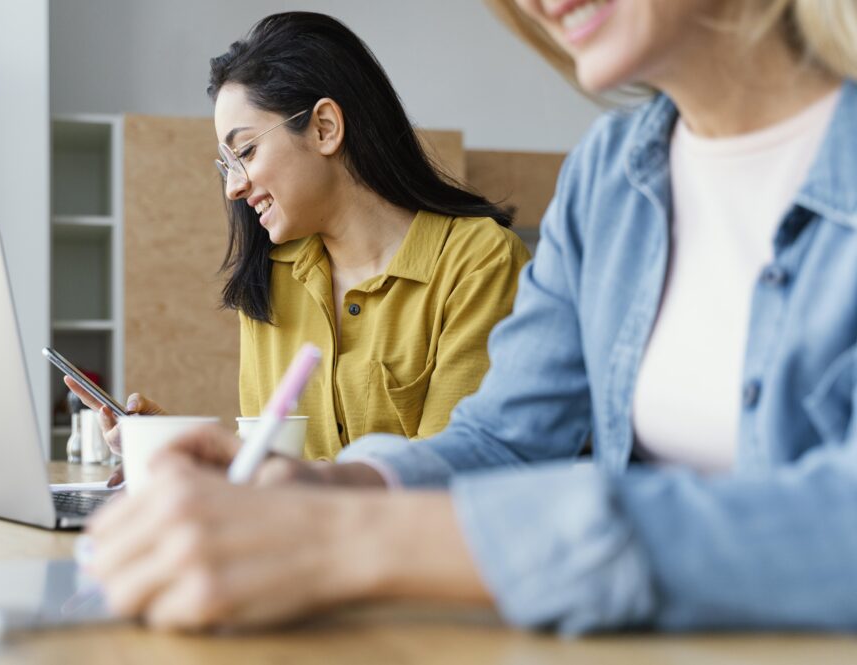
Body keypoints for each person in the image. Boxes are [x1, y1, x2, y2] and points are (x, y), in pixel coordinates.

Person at [82, 0, 857, 633]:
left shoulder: (477, 254)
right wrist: (331, 489)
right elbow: (504, 439)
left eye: (245, 153)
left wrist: (348, 539)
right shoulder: (606, 178)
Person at [66, 11, 531, 463]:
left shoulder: (477, 261)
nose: (233, 186)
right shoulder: (271, 281)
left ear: (324, 127)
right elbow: (268, 472)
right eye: (227, 163)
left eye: (245, 150)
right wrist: (182, 453)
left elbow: (451, 473)